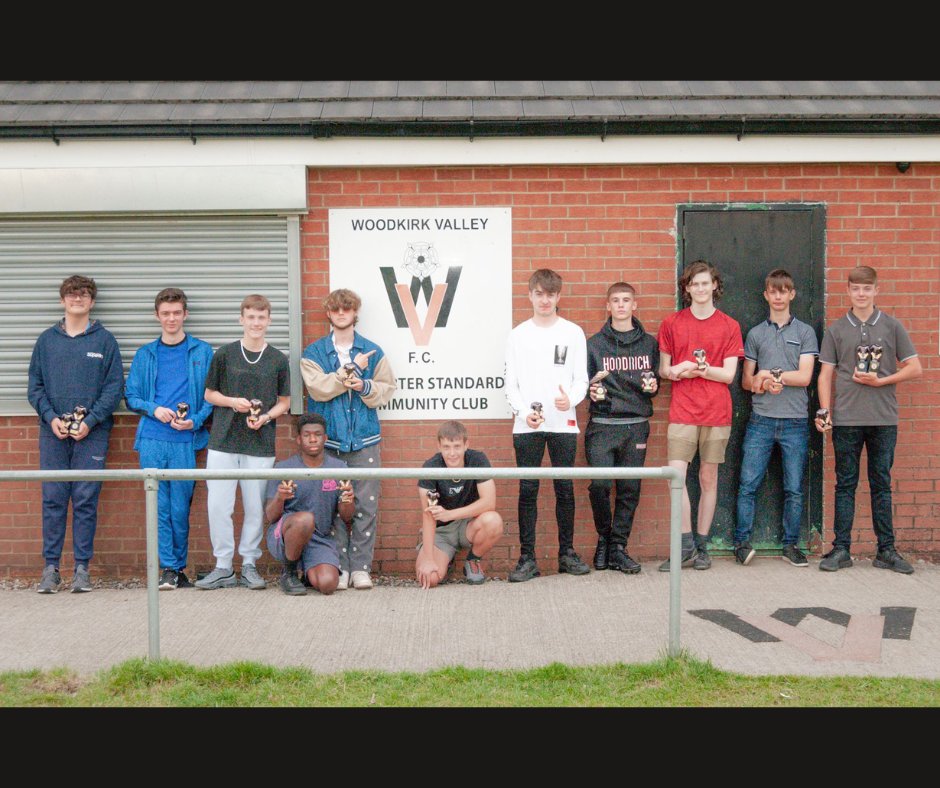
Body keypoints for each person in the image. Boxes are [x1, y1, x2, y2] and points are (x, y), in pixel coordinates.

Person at [815, 265, 922, 574]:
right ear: (848, 291)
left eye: (867, 289)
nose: (861, 294)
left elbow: (915, 368)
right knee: (845, 484)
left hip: (883, 417)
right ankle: (841, 549)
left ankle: (886, 550)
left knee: (881, 483)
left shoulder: (891, 326)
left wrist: (883, 381)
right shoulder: (836, 329)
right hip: (847, 418)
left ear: (876, 290)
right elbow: (825, 375)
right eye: (856, 289)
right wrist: (825, 411)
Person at [28, 274, 124, 594]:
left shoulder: (104, 341)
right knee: (53, 498)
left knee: (85, 498)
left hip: (92, 434)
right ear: (62, 300)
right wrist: (50, 417)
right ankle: (51, 569)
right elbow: (35, 387)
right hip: (52, 432)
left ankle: (82, 569)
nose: (77, 299)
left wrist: (91, 420)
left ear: (92, 302)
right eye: (72, 294)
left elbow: (114, 389)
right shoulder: (46, 341)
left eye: (84, 295)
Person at [301, 288, 397, 591]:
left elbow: (387, 389)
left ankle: (361, 569)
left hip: (365, 440)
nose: (341, 314)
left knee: (365, 507)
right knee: (331, 507)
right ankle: (340, 567)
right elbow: (318, 389)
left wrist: (364, 385)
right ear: (329, 314)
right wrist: (348, 375)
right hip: (330, 443)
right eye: (336, 310)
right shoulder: (313, 353)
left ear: (355, 313)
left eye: (347, 309)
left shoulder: (373, 351)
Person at [195, 294, 291, 591]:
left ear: (269, 321)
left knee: (254, 507)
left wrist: (265, 418)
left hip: (259, 442)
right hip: (223, 441)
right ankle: (223, 566)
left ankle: (249, 563)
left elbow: (284, 403)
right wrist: (232, 402)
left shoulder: (278, 359)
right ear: (241, 319)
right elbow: (209, 395)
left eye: (261, 318)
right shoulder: (224, 354)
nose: (256, 323)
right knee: (218, 506)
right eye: (250, 317)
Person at [657, 260, 744, 571]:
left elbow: (730, 375)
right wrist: (676, 370)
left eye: (706, 283)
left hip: (716, 412)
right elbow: (664, 370)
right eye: (695, 284)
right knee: (676, 478)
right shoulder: (672, 324)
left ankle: (703, 544)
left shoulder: (729, 325)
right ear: (687, 288)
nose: (701, 288)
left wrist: (705, 370)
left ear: (715, 286)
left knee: (708, 478)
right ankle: (685, 545)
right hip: (682, 410)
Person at [125, 288, 214, 590]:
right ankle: (169, 568)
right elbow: (131, 396)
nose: (171, 318)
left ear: (185, 314)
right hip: (152, 439)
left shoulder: (202, 352)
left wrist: (195, 421)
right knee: (159, 507)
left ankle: (178, 567)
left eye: (177, 313)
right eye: (166, 313)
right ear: (157, 316)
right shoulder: (146, 354)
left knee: (180, 507)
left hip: (185, 441)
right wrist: (154, 409)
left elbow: (211, 398)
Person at [504, 268, 590, 582]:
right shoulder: (518, 335)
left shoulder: (572, 332)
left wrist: (573, 400)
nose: (545, 300)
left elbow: (581, 379)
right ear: (530, 295)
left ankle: (566, 554)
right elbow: (510, 384)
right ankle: (528, 559)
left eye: (550, 294)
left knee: (564, 489)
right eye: (539, 293)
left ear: (558, 296)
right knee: (528, 490)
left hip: (563, 424)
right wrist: (523, 411)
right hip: (527, 426)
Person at [733, 269, 818, 568]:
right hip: (761, 419)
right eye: (773, 291)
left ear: (792, 294)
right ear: (766, 295)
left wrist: (771, 374)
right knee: (747, 485)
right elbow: (746, 381)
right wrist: (762, 382)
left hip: (795, 421)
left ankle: (790, 545)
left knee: (794, 487)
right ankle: (742, 543)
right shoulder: (756, 333)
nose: (779, 296)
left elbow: (806, 376)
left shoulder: (805, 332)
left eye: (784, 291)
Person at [585, 282, 660, 574]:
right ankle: (604, 538)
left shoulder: (649, 344)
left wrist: (652, 388)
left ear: (634, 305)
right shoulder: (593, 344)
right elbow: (583, 384)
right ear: (608, 306)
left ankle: (618, 547)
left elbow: (653, 385)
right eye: (615, 300)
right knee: (600, 486)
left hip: (636, 424)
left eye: (626, 300)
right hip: (603, 425)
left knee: (630, 489)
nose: (620, 305)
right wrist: (590, 391)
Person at [264, 414, 355, 595]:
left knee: (328, 584)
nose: (312, 439)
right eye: (306, 435)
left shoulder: (338, 468)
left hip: (319, 538)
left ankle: (306, 570)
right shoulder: (283, 468)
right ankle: (289, 573)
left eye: (318, 434)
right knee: (304, 520)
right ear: (298, 439)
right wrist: (280, 498)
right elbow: (270, 516)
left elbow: (347, 516)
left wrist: (348, 500)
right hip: (286, 534)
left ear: (325, 438)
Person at [416, 420, 504, 588]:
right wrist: (428, 559)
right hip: (441, 532)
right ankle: (444, 562)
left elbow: (489, 502)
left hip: (467, 526)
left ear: (466, 444)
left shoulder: (477, 460)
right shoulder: (431, 467)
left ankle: (473, 560)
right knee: (430, 579)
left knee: (493, 521)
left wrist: (450, 514)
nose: (452, 453)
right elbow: (428, 515)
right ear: (439, 446)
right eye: (447, 447)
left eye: (457, 446)